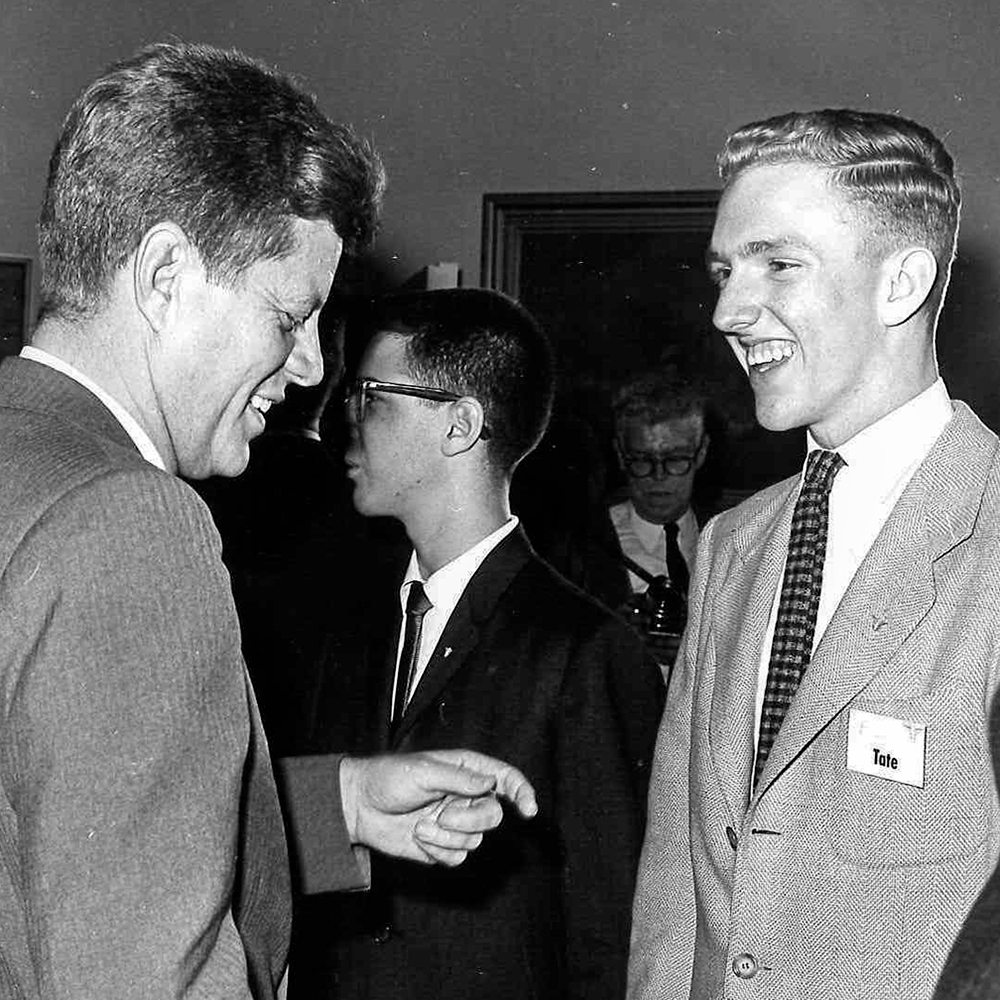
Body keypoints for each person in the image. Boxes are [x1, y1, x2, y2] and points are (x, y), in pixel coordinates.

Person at [0, 41, 537, 1000]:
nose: (309, 371)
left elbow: (48, 823)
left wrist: (341, 804)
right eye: (289, 317)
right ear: (165, 274)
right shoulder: (129, 522)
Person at [627, 108, 1000, 1000]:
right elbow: (677, 886)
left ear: (901, 284)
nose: (727, 310)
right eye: (725, 269)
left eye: (778, 263)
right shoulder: (731, 545)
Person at [291, 288, 665, 999]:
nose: (347, 416)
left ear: (460, 424)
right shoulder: (344, 625)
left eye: (371, 395)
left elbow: (611, 933)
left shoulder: (586, 650)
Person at [609, 372, 709, 668]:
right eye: (641, 459)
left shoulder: (736, 540)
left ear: (701, 452)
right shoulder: (580, 548)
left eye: (676, 459)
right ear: (620, 453)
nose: (658, 476)